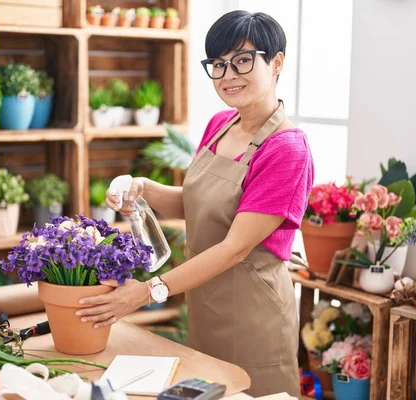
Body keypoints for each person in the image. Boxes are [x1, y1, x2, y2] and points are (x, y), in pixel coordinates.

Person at [77, 10, 314, 397]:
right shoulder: (220, 124)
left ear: (276, 63)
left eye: (242, 60)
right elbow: (197, 204)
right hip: (205, 302)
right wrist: (143, 188)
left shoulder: (287, 150)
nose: (228, 75)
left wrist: (149, 290)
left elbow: (235, 248)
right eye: (218, 65)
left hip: (253, 315)